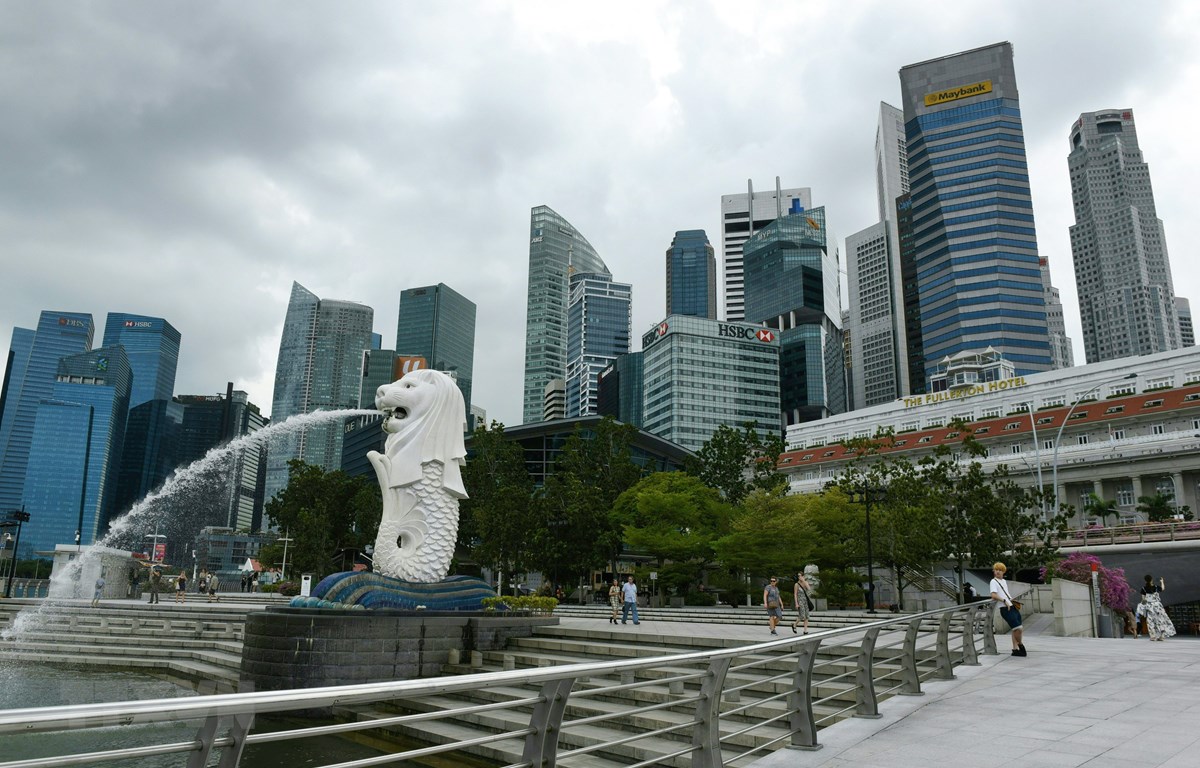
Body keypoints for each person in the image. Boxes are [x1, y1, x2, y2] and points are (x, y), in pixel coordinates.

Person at [990, 562, 1025, 657]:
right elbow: (993, 595)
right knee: (1018, 628)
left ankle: (1015, 649)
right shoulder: (993, 581)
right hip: (1005, 608)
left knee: (1016, 628)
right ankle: (1021, 645)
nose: (998, 572)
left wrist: (1010, 600)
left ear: (1003, 572)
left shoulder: (1004, 581)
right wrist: (1004, 600)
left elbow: (1005, 593)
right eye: (996, 570)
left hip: (1012, 606)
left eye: (1000, 570)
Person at [1140, 574, 1176, 641]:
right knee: (1161, 620)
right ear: (1151, 580)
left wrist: (1143, 608)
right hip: (1158, 606)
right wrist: (1162, 582)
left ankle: (1153, 636)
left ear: (1145, 580)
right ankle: (1162, 636)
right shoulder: (1156, 587)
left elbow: (1143, 600)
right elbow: (1162, 588)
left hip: (1149, 606)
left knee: (1150, 621)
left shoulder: (1143, 589)